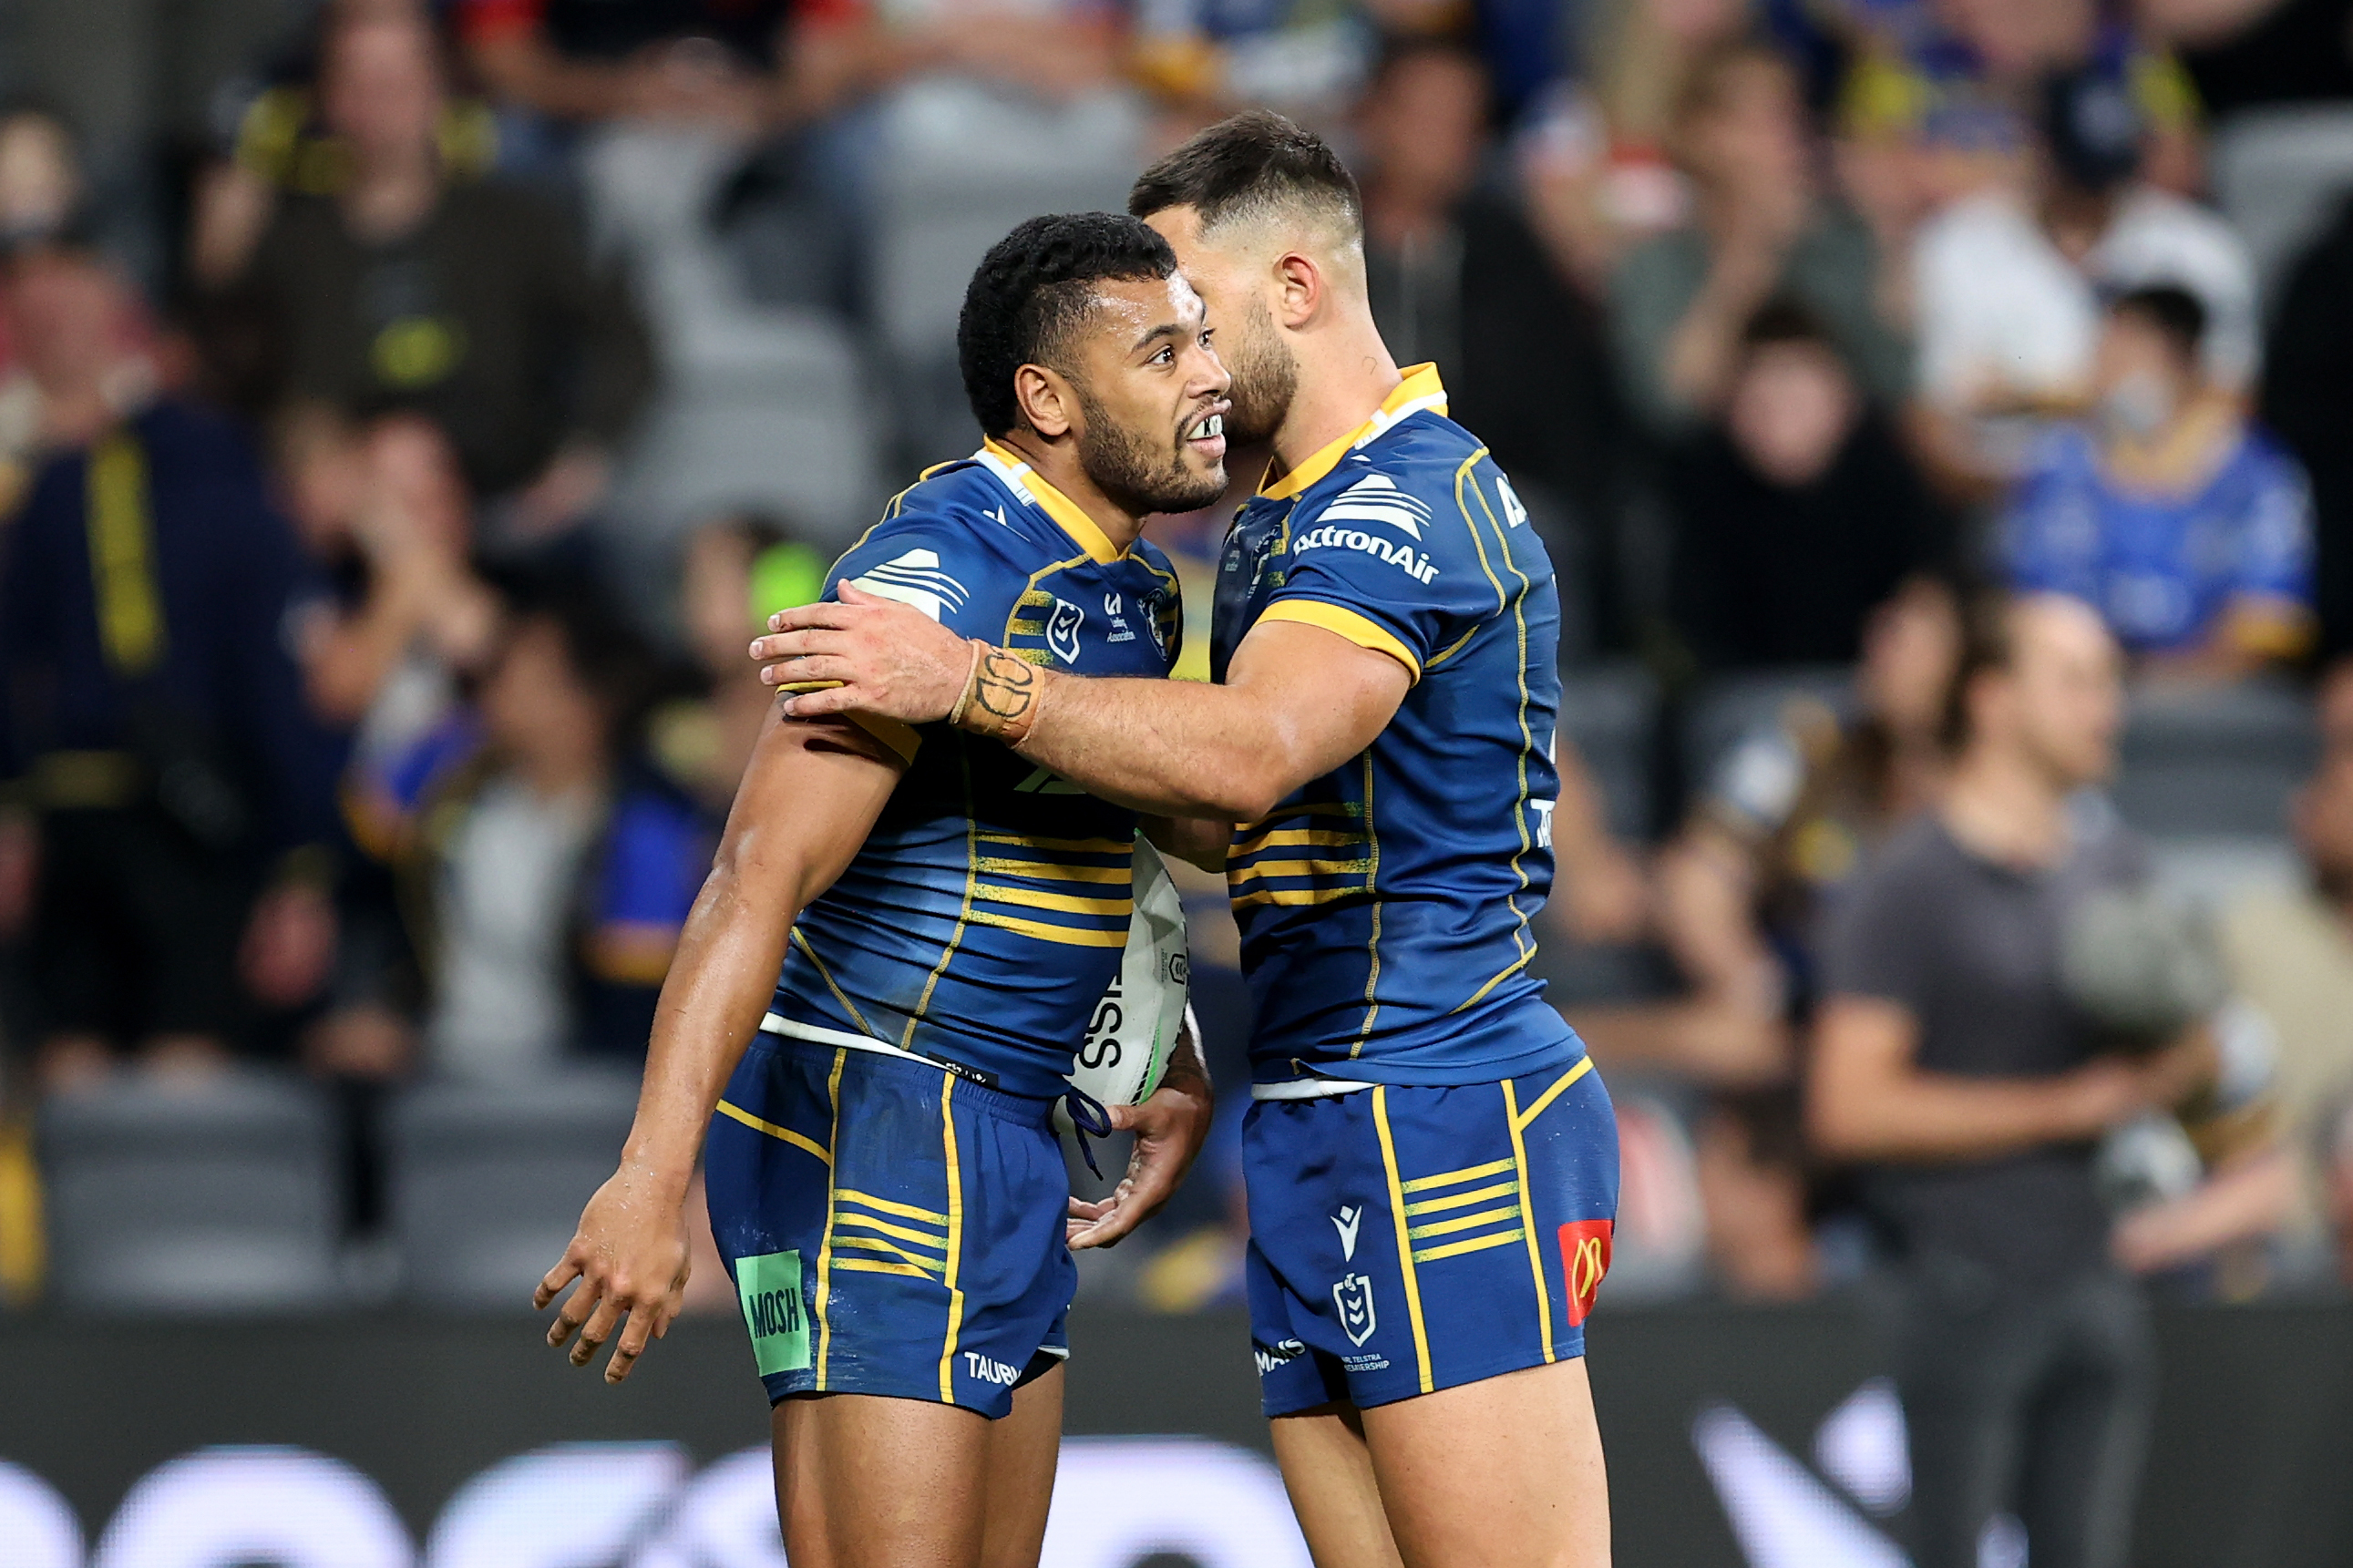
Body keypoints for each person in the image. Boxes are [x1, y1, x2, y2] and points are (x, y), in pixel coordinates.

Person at [755, 111, 1619, 1566]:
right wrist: (1153, 1026)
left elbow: (1251, 754)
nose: (1191, 365)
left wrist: (965, 680)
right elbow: (1240, 827)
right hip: (1322, 1104)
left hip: (1442, 1096)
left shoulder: (1403, 503)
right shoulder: (1292, 513)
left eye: (1193, 315)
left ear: (1294, 288)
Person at [534, 212, 1222, 1566]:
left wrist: (1166, 1046)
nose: (1205, 373)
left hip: (1005, 1130)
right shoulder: (936, 572)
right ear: (1048, 401)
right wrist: (647, 1176)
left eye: (1196, 339)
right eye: (1161, 350)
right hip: (877, 1128)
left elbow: (1107, 836)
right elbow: (752, 878)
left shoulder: (1132, 590)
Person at [1808, 592, 2216, 1568]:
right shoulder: (1908, 881)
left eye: (2110, 682)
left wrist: (2182, 1055)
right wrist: (2066, 1105)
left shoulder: (2115, 863)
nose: (2105, 707)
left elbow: (2198, 1050)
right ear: (1990, 699)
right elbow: (1845, 1102)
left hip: (2094, 1270)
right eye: (2076, 680)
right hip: (1958, 1281)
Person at [0, 241, 343, 1091]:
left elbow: (11, 661)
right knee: (184, 1082)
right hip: (193, 816)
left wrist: (11, 806)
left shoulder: (57, 483)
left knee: (72, 1074)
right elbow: (272, 694)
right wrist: (300, 864)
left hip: (72, 809)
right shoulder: (237, 487)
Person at [205, 6, 654, 530]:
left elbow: (625, 339)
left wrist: (583, 460)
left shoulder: (513, 222)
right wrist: (218, 265)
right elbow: (240, 382)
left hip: (506, 517)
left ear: (439, 88)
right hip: (353, 527)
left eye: (400, 78)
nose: (382, 101)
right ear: (329, 97)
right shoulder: (290, 245)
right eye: (360, 80)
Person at [1354, 36, 1628, 652]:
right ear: (1372, 116)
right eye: (1424, 115)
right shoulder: (1316, 242)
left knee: (1532, 533)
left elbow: (1560, 409)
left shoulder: (1509, 249)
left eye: (1462, 122)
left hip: (1486, 488)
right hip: (1332, 482)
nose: (1442, 138)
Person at [1911, 63, 2257, 497]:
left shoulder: (2199, 246)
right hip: (2005, 502)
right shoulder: (1960, 243)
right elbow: (1936, 420)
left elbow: (2235, 402)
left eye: (2106, 174)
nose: (2093, 194)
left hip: (2175, 502)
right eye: (2079, 174)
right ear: (2040, 151)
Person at [1608, 41, 1912, 446]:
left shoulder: (1837, 241)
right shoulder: (1657, 260)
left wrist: (1887, 233)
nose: (1782, 138)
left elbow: (1892, 379)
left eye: (1788, 116)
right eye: (1754, 119)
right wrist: (1748, 260)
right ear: (1697, 136)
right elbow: (1667, 405)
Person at [2002, 285, 2313, 679]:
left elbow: (2267, 619)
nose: (2106, 370)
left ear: (2184, 359)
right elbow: (2032, 604)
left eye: (2128, 352)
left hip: (2212, 700)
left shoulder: (2256, 471)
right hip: (2077, 681)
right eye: (2104, 351)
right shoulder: (2061, 461)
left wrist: (2164, 682)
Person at [1667, 302, 1950, 670]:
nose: (1782, 422)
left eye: (1798, 401)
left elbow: (1926, 594)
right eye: (1764, 403)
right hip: (1739, 695)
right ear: (1729, 408)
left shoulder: (1892, 483)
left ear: (1844, 401)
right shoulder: (1699, 490)